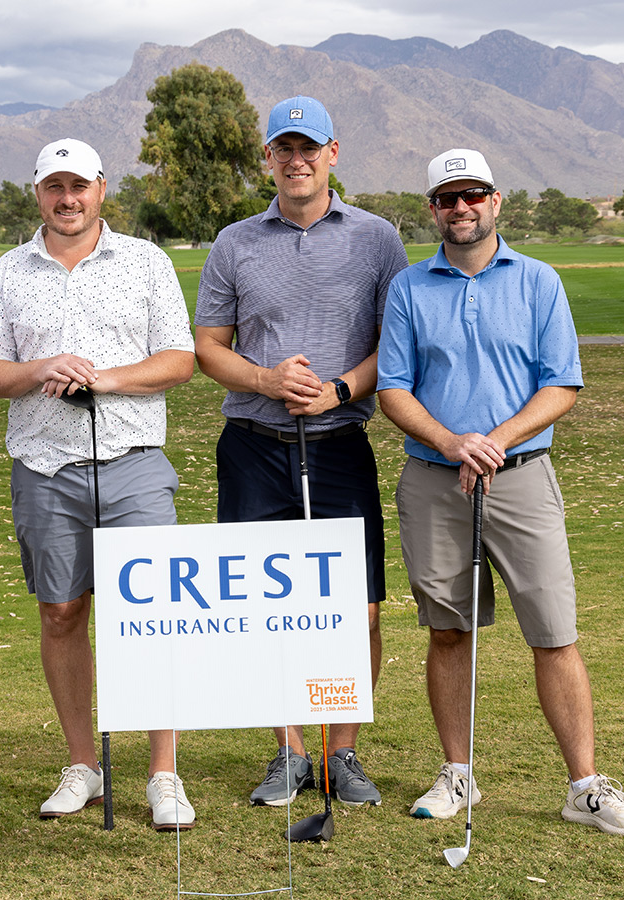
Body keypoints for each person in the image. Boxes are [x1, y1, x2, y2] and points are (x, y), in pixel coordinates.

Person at [377, 148, 624, 835]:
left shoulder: (537, 281)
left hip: (521, 478)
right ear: (433, 210)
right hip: (435, 480)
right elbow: (392, 388)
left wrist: (492, 440)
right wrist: (452, 443)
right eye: (447, 198)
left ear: (496, 201)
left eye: (473, 194)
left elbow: (562, 382)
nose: (461, 207)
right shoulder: (409, 288)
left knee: (554, 634)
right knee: (448, 631)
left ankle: (585, 786)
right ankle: (457, 775)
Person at [0, 139, 198, 831]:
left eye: (79, 185)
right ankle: (83, 764)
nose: (67, 198)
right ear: (37, 193)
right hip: (45, 465)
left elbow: (180, 359)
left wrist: (105, 377)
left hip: (132, 461)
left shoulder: (145, 261)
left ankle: (164, 771)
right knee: (61, 613)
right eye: (54, 186)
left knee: (152, 618)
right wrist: (43, 368)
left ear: (102, 188)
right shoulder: (9, 272)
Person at [195, 97, 409, 808]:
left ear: (334, 152)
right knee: (261, 608)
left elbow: (395, 345)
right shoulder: (235, 242)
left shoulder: (378, 239)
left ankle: (341, 751)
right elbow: (208, 346)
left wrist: (342, 389)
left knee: (359, 610)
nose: (297, 160)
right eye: (283, 149)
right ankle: (288, 751)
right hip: (253, 447)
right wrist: (264, 379)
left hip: (339, 444)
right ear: (268, 159)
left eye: (308, 147)